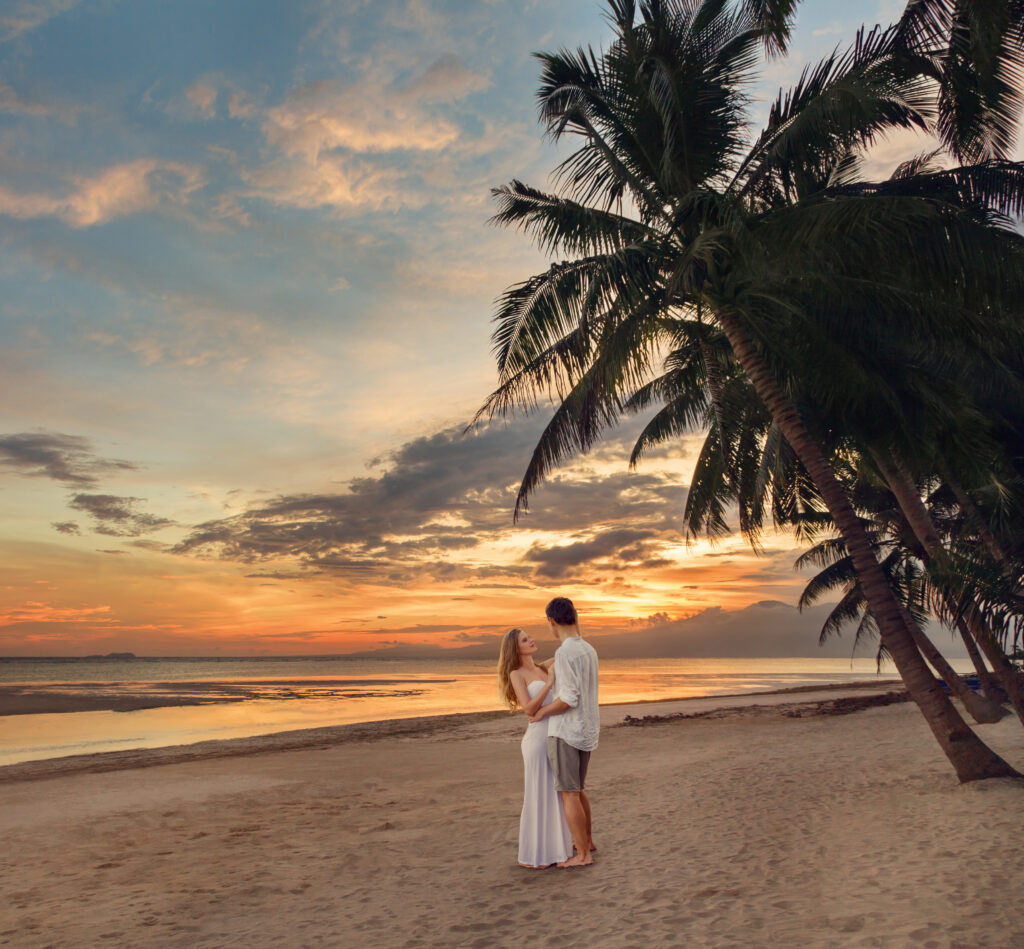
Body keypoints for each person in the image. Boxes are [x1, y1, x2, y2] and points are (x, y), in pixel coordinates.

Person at [527, 596, 599, 869]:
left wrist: (541, 713)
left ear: (552, 621)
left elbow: (569, 698)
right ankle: (588, 842)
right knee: (578, 790)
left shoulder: (565, 652)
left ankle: (582, 855)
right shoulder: (588, 649)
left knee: (568, 793)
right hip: (587, 730)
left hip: (567, 731)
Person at [497, 627, 574, 869]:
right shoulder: (516, 674)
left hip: (556, 735)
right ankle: (538, 855)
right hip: (536, 741)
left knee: (557, 794)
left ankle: (558, 848)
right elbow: (528, 709)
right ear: (515, 647)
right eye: (525, 639)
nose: (531, 640)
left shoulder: (544, 666)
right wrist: (549, 684)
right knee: (539, 793)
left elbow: (568, 650)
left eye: (529, 637)